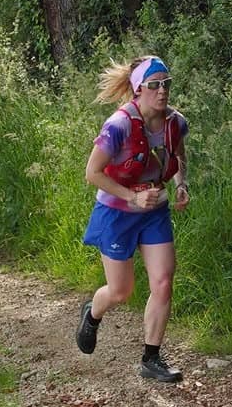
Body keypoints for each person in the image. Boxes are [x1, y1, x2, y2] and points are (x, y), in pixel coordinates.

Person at [75, 54, 189, 384]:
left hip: (154, 213)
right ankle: (92, 313)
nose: (163, 91)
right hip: (117, 213)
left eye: (166, 84)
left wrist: (181, 184)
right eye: (154, 85)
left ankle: (151, 359)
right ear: (139, 89)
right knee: (121, 291)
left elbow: (179, 154)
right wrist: (132, 196)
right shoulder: (119, 125)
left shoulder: (175, 122)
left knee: (163, 281)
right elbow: (92, 173)